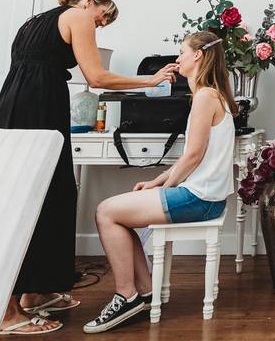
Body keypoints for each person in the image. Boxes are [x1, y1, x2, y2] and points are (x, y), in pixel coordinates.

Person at [0, 0, 177, 337]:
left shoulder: (35, 21)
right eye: (103, 16)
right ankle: (8, 312)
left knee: (53, 194)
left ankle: (38, 291)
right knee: (30, 202)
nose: (101, 24)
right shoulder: (78, 15)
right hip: (38, 111)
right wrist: (149, 81)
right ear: (90, 2)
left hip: (16, 106)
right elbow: (97, 77)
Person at [83, 30, 238, 334]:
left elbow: (192, 156)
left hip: (199, 199)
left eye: (182, 52)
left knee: (106, 212)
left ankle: (126, 296)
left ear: (198, 55)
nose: (178, 58)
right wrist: (157, 181)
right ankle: (143, 291)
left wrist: (165, 187)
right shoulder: (210, 94)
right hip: (204, 195)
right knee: (118, 214)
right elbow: (192, 158)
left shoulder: (206, 96)